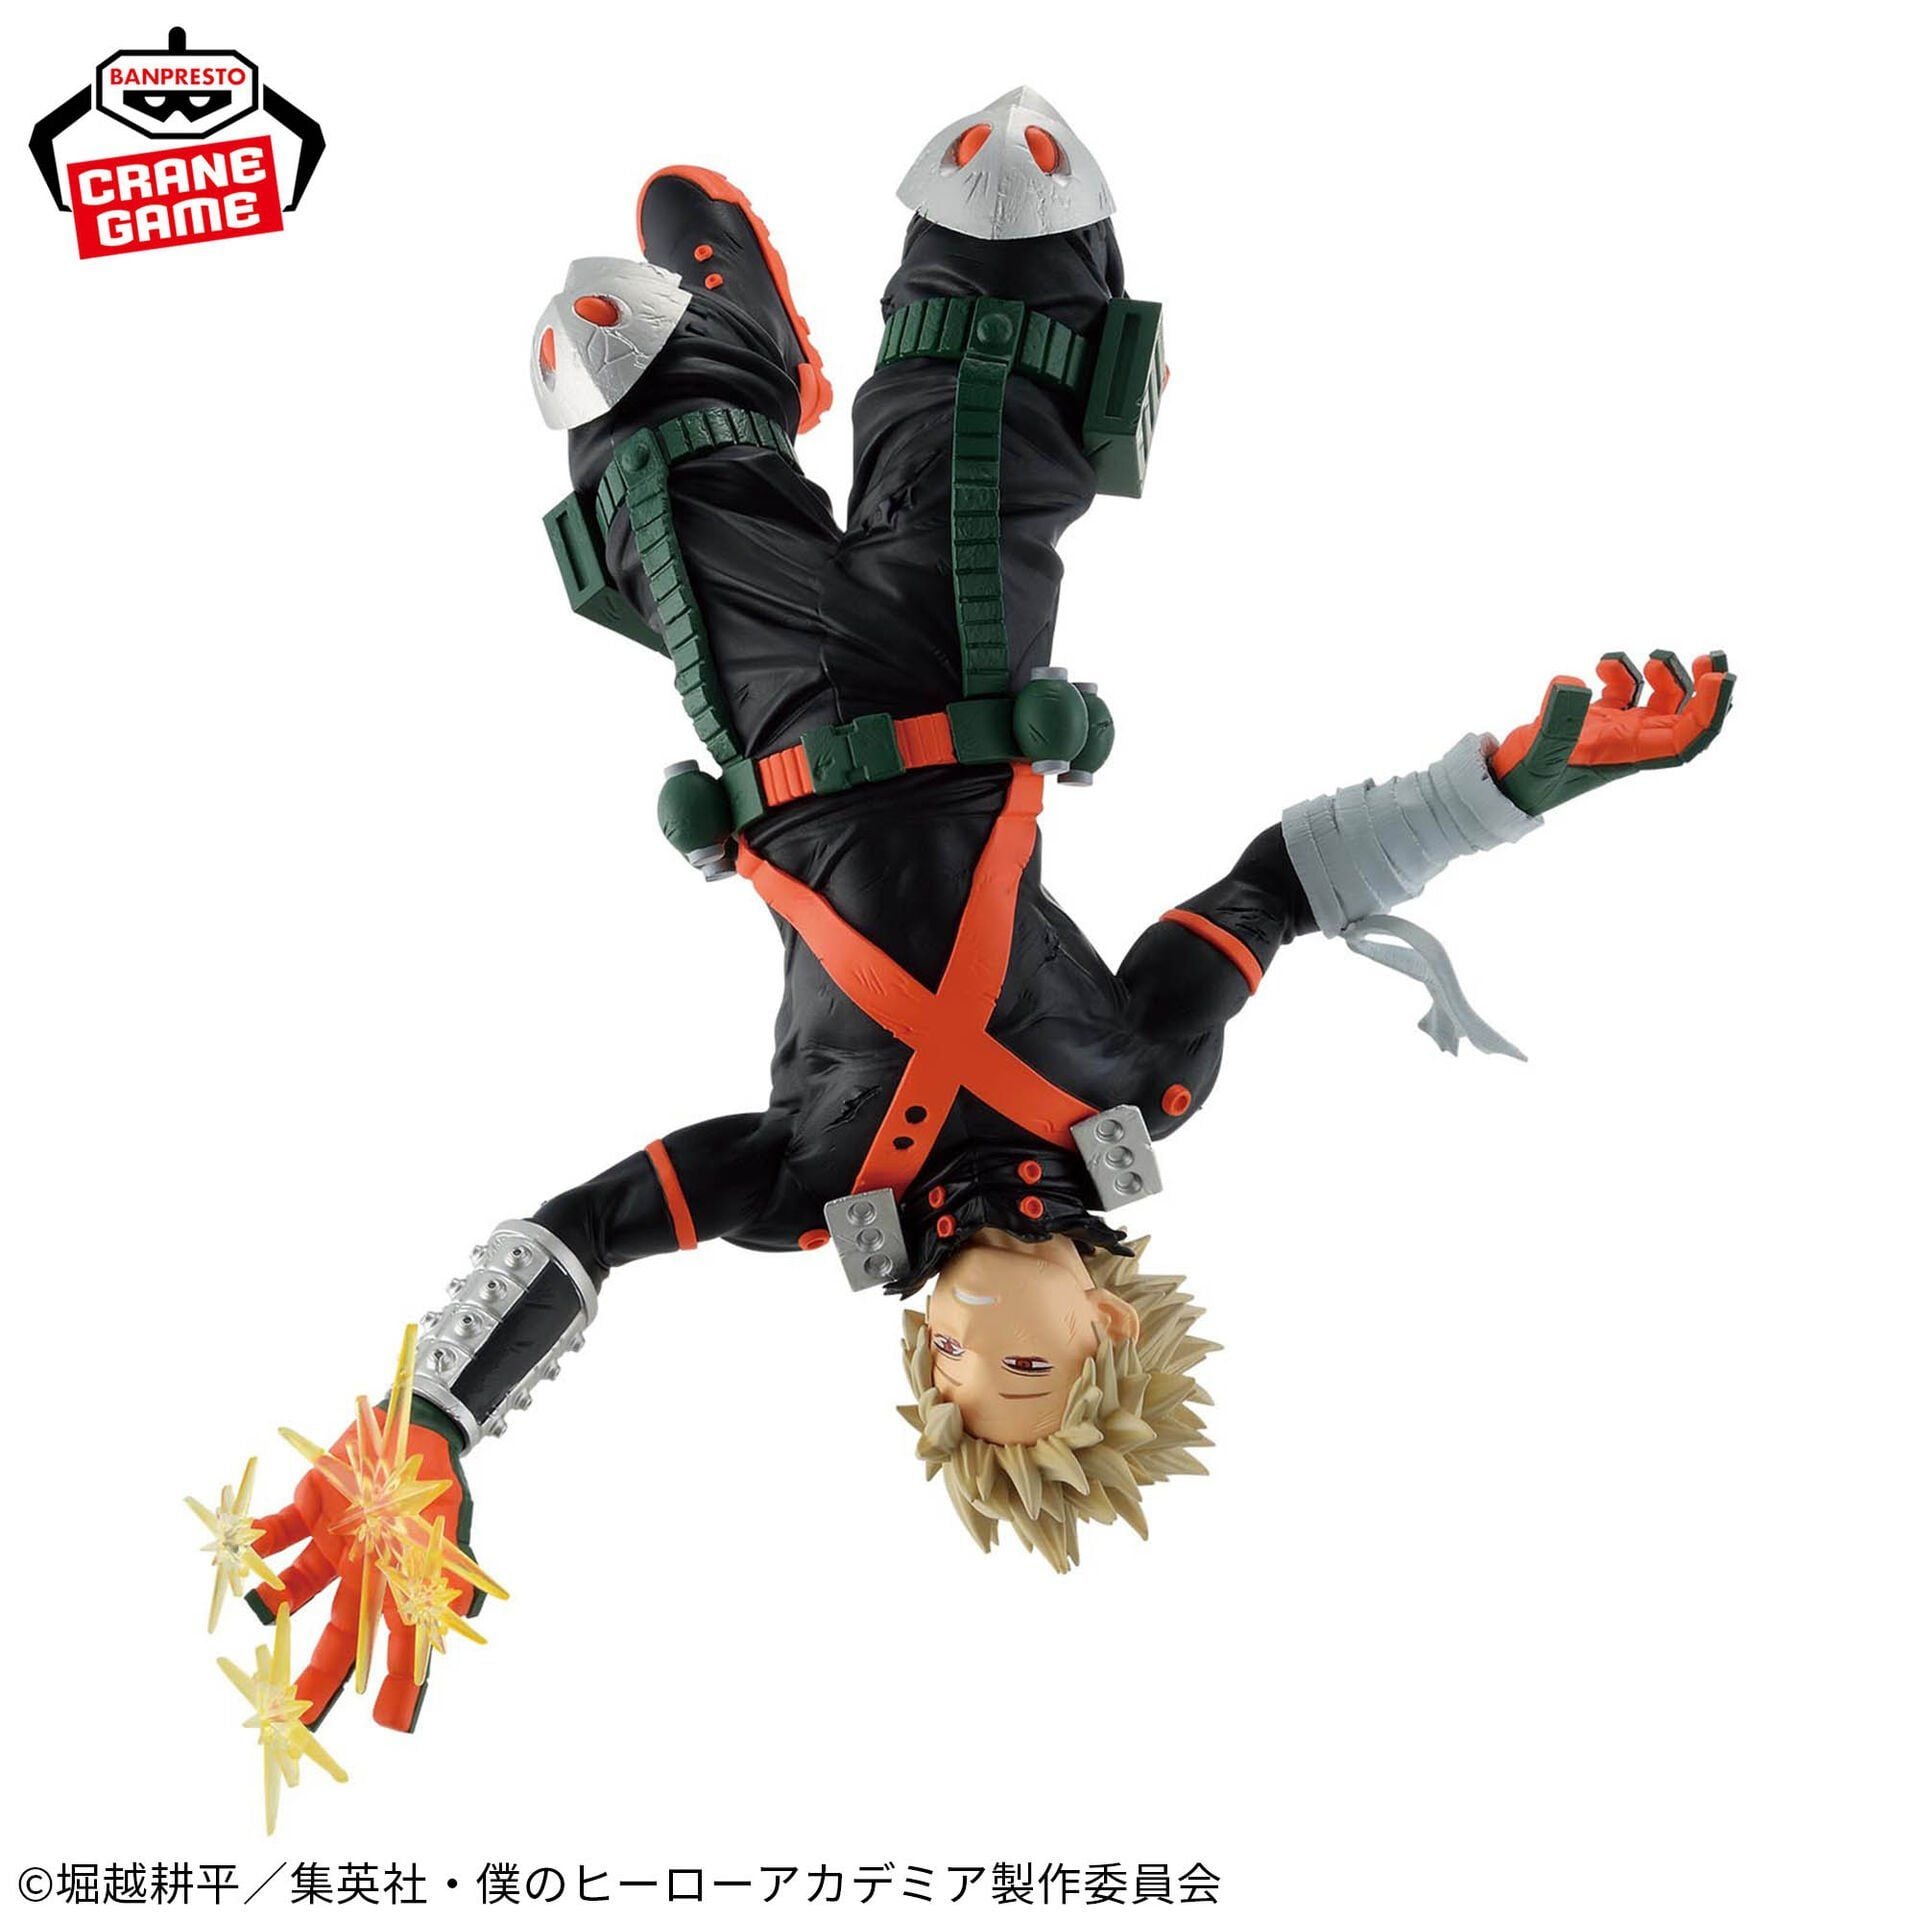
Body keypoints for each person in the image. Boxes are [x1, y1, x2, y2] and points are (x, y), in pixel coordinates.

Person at [240, 88, 1735, 1730]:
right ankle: (817, 341)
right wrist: (1500, 789)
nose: (962, 1349)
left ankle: (739, 358)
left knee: (608, 361)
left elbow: (585, 1231)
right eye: (1023, 1367)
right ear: (1104, 1323)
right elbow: (1279, 887)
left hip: (768, 715)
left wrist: (436, 1416)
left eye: (951, 1377)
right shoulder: (1133, 1082)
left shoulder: (812, 1187)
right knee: (1008, 201)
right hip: (963, 648)